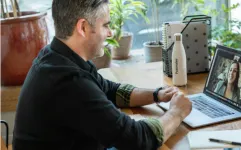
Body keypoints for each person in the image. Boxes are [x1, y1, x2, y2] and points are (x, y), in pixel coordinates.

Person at [12, 0, 192, 150]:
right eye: (105, 25)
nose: (110, 32)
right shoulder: (69, 82)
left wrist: (157, 94)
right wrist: (177, 112)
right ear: (82, 27)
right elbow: (137, 140)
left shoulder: (56, 56)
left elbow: (110, 90)